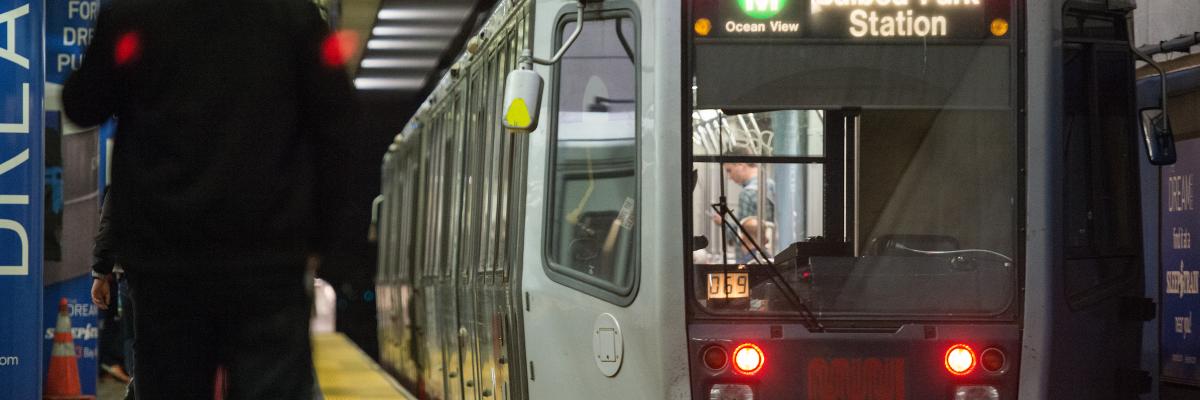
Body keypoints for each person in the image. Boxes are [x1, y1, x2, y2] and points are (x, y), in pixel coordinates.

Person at [63, 1, 357, 398]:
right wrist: (320, 240)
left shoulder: (136, 13)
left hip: (166, 263)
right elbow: (338, 124)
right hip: (268, 263)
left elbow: (83, 103)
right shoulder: (293, 14)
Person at [91, 190, 136, 399]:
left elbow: (111, 217)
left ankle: (136, 387)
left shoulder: (136, 159)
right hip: (186, 274)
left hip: (134, 272)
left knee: (134, 338)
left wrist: (101, 271)